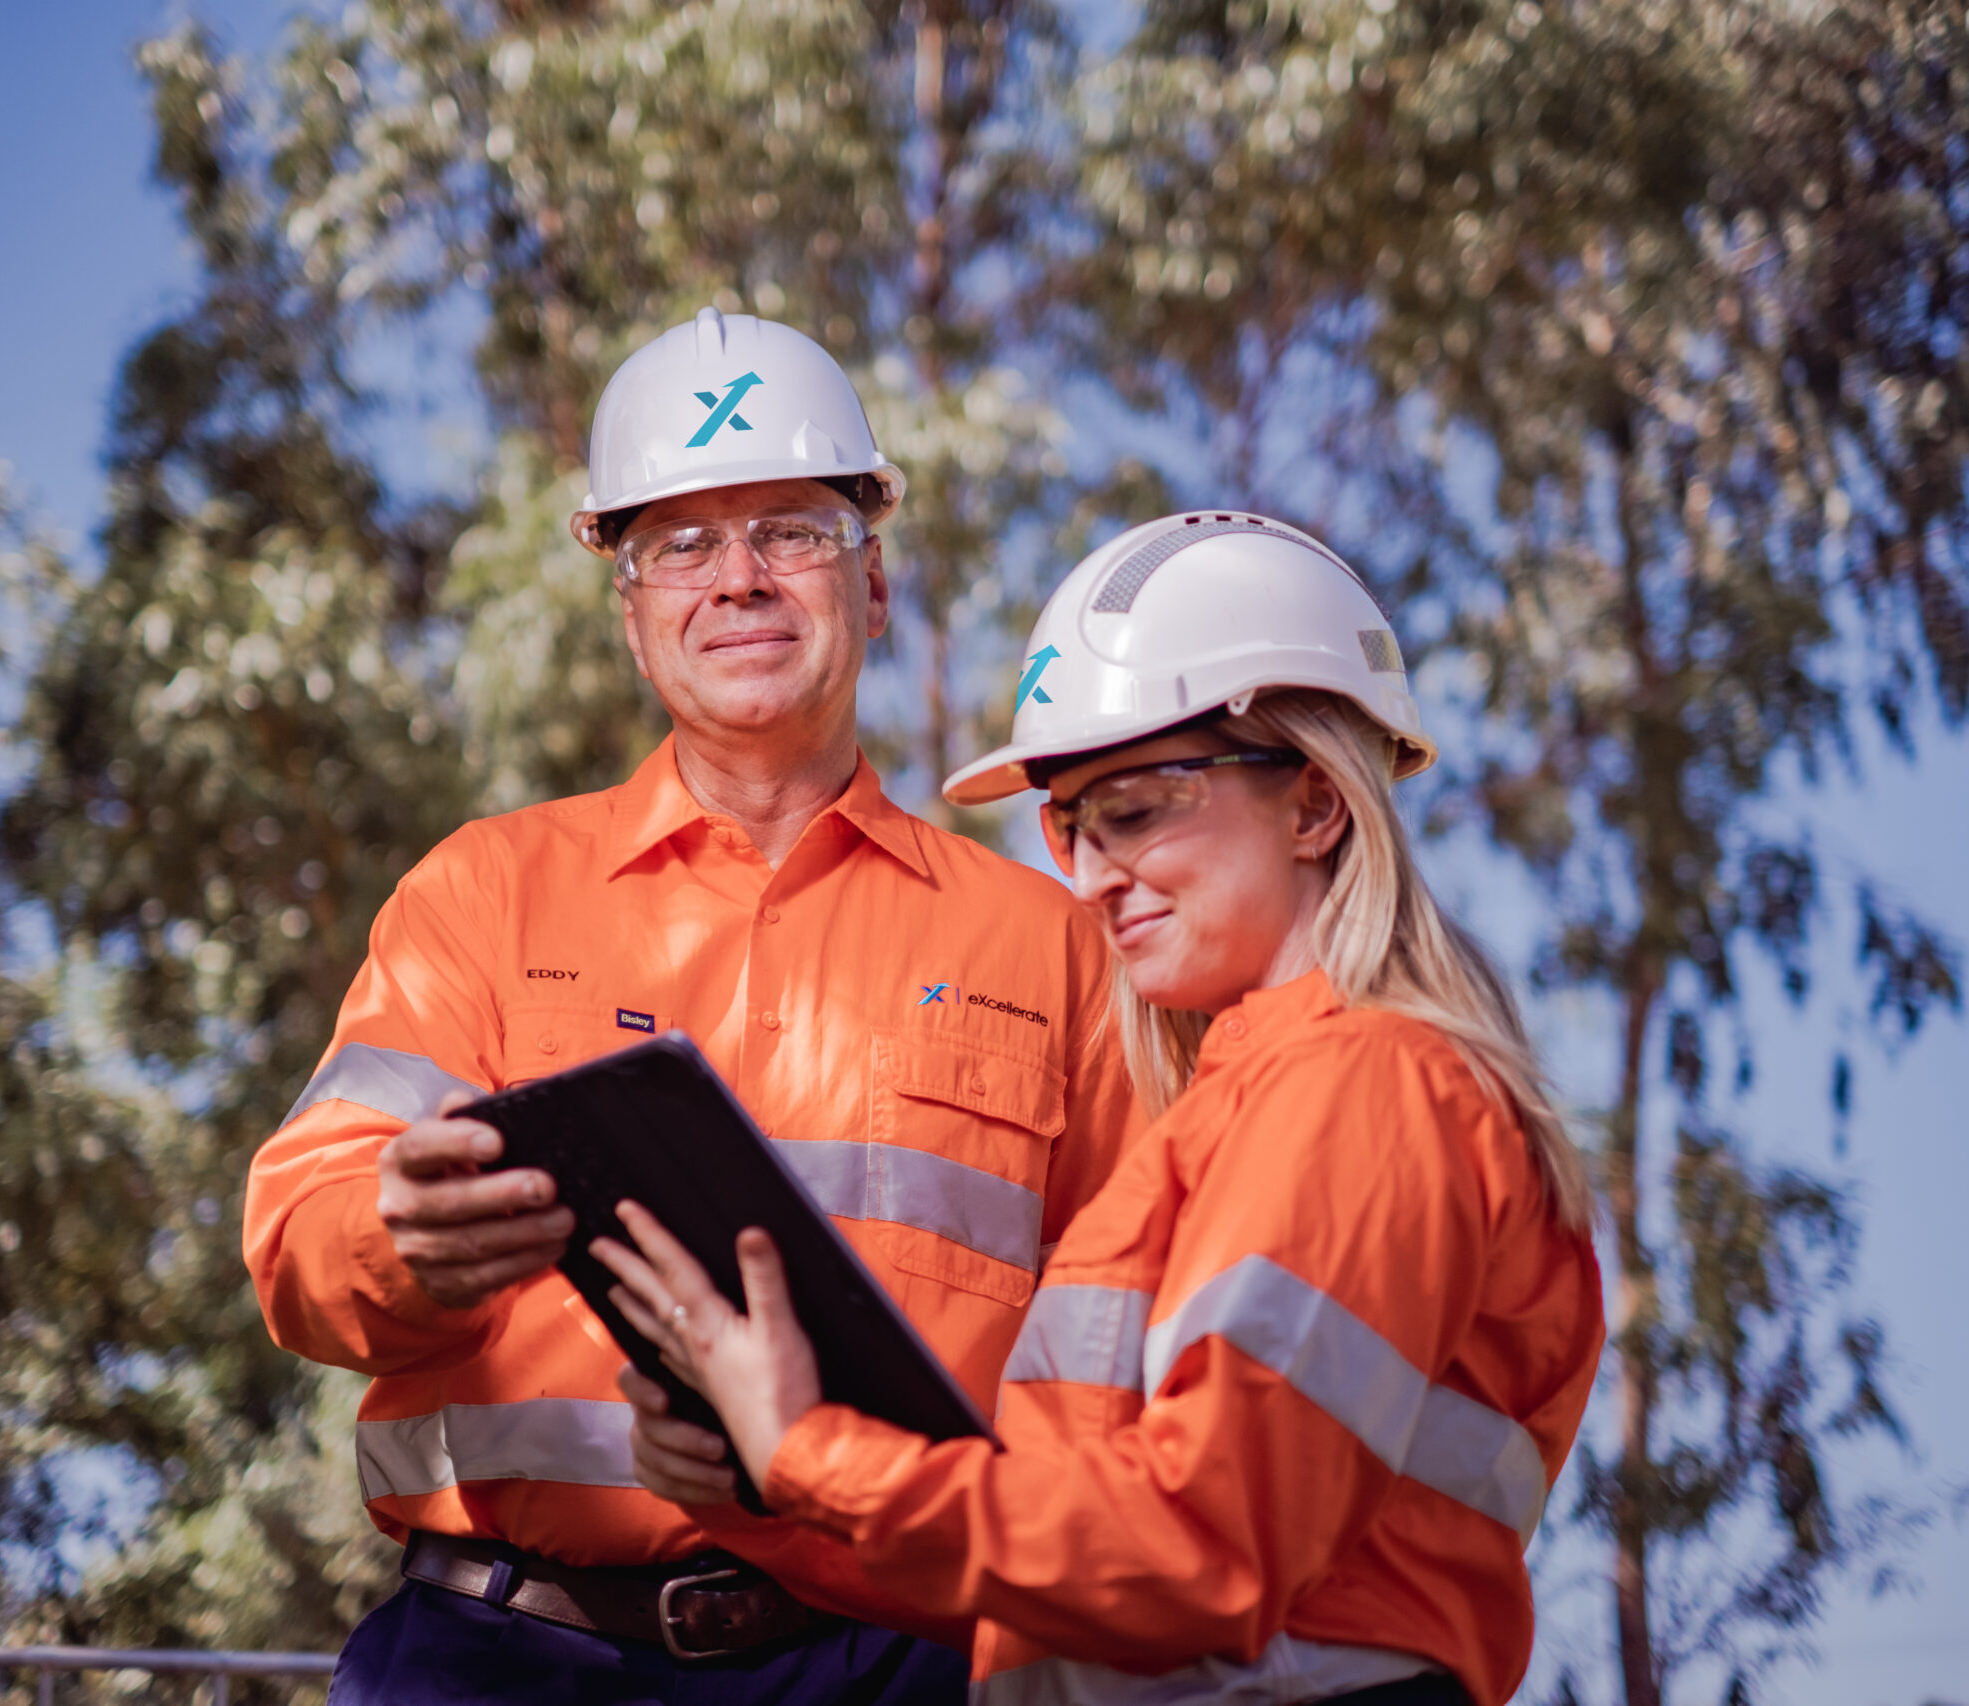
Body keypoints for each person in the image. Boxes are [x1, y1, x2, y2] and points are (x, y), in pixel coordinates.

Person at [245, 308, 1140, 1703]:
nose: (740, 579)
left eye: (791, 527)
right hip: (499, 1656)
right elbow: (298, 1247)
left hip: (909, 1669)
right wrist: (397, 1231)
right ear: (630, 605)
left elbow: (1140, 1358)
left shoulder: (1054, 947)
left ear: (877, 578)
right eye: (682, 542)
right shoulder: (481, 895)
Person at [594, 512, 1608, 1706]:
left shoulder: (1370, 1086)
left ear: (1316, 805)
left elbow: (1203, 1546)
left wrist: (813, 1449)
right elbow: (1055, 1564)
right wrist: (761, 1494)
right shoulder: (1217, 1120)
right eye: (1068, 824)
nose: (1090, 873)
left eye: (1132, 808)